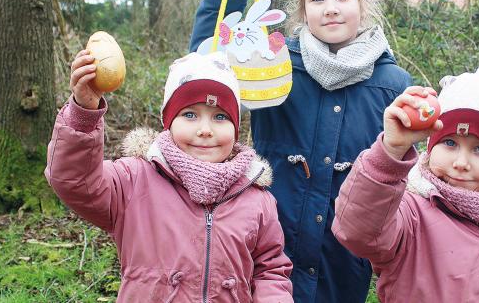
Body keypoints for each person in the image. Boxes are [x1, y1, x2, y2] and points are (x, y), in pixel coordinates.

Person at [189, 0, 412, 303]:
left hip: (343, 263)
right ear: (302, 9)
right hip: (266, 250)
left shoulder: (393, 86)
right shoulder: (274, 62)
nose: (331, 7)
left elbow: (405, 185)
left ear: (363, 4)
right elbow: (203, 71)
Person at [45, 49, 293, 302]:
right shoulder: (133, 179)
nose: (205, 130)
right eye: (189, 115)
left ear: (236, 128)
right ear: (168, 122)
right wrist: (83, 116)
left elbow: (270, 271)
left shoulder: (256, 198)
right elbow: (74, 181)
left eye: (220, 117)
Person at [332, 67, 479, 302]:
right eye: (450, 143)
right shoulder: (410, 214)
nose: (461, 163)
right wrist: (390, 153)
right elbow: (357, 232)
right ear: (431, 146)